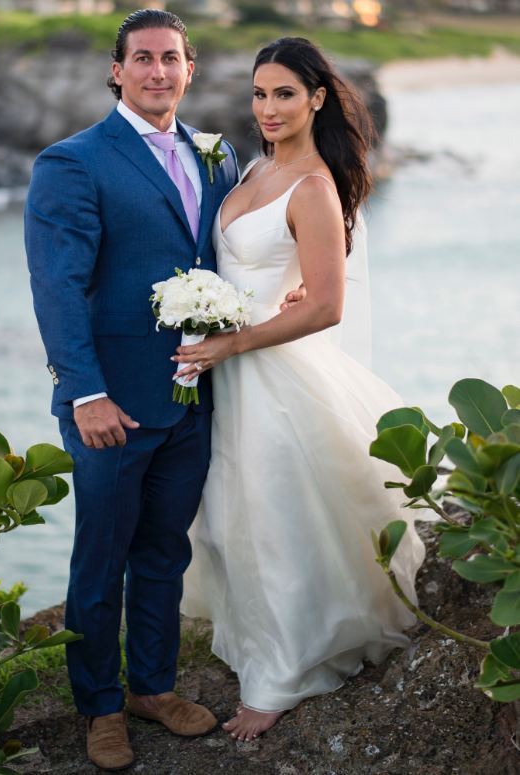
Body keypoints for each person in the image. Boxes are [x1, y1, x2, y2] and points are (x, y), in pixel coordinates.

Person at [25, 10, 303, 770]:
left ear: (189, 68)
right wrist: (84, 393)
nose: (157, 72)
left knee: (163, 552)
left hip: (195, 400)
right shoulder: (72, 163)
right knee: (100, 557)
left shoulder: (216, 156)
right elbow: (58, 288)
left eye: (170, 59)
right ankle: (100, 706)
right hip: (110, 403)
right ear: (117, 70)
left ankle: (151, 685)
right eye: (141, 59)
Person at [177, 37, 426, 743]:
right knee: (229, 516)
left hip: (271, 373)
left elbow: (325, 306)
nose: (269, 107)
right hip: (229, 373)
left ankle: (279, 676)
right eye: (260, 94)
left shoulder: (314, 186)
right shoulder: (253, 167)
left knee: (275, 518)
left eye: (285, 93)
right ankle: (254, 635)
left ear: (317, 97)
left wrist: (231, 340)